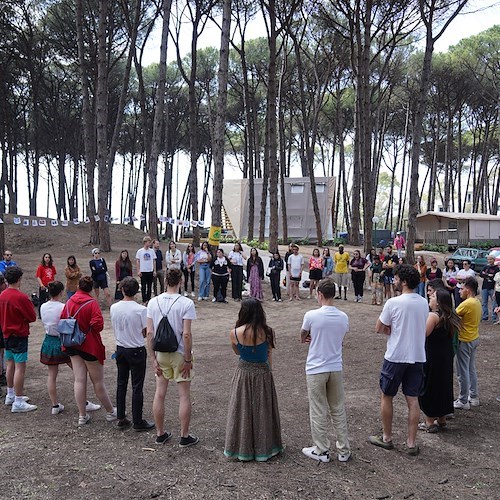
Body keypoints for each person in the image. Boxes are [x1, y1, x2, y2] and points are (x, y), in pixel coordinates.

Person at [369, 265, 428, 456]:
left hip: (395, 356)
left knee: (387, 395)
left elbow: (379, 327)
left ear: (403, 282)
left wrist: (391, 330)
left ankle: (387, 437)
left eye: (395, 279)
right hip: (417, 356)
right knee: (413, 399)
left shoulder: (393, 303)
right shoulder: (423, 303)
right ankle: (411, 443)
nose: (393, 281)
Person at [224, 298, 283, 461]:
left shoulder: (235, 333)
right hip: (263, 372)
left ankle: (243, 448)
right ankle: (264, 448)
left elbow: (237, 352)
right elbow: (269, 352)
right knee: (263, 410)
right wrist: (269, 370)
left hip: (243, 373)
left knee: (242, 409)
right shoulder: (269, 331)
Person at [300, 279, 351, 463]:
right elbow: (342, 337)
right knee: (338, 408)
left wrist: (308, 337)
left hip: (316, 368)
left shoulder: (311, 315)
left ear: (320, 294)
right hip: (335, 366)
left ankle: (321, 449)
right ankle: (344, 449)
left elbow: (303, 334)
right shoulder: (343, 317)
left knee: (318, 408)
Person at [147, 268, 198, 447]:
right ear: (181, 281)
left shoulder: (153, 302)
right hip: (179, 353)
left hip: (160, 353)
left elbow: (150, 332)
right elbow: (186, 334)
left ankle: (160, 433)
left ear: (165, 281)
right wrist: (188, 359)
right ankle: (184, 436)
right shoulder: (186, 303)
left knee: (160, 393)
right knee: (184, 395)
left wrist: (152, 359)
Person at [60, 276, 116, 425]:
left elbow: (62, 319)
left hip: (72, 344)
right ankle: (110, 411)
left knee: (79, 380)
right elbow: (98, 325)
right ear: (91, 288)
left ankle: (82, 415)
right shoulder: (92, 303)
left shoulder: (69, 302)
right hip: (89, 345)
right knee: (98, 381)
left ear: (78, 286)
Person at [110, 277, 154, 431]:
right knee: (137, 386)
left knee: (121, 383)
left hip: (120, 348)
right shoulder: (141, 310)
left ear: (122, 289)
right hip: (135, 349)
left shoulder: (114, 307)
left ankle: (121, 417)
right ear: (136, 292)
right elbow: (144, 333)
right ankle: (137, 420)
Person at [418, 289, 460, 432]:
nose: (430, 296)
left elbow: (422, 335)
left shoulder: (433, 316)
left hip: (432, 356)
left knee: (430, 384)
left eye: (433, 296)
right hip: (445, 356)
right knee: (444, 384)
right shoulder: (449, 317)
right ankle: (442, 418)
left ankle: (429, 421)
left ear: (439, 302)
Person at [0, 266, 37, 412]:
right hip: (19, 335)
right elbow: (32, 317)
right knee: (20, 368)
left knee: (10, 364)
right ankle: (19, 400)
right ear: (19, 279)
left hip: (6, 334)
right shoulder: (21, 297)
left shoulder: (2, 296)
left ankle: (11, 393)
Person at [40, 280, 71, 414]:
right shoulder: (64, 306)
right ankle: (84, 401)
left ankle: (55, 405)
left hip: (48, 340)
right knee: (79, 372)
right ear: (61, 292)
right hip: (62, 341)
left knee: (51, 375)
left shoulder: (43, 306)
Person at [453, 277, 481, 410]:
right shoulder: (477, 302)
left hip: (464, 340)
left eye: (462, 288)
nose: (460, 291)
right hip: (474, 338)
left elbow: (452, 316)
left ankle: (463, 400)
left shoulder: (467, 303)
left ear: (468, 290)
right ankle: (473, 396)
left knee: (462, 371)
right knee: (471, 368)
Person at [136, 236, 157, 304]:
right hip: (143, 271)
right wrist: (138, 270)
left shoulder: (152, 251)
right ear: (145, 242)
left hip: (150, 271)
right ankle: (144, 299)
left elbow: (154, 261)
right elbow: (137, 261)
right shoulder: (140, 251)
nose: (150, 243)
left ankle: (149, 299)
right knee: (143, 286)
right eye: (148, 242)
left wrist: (154, 270)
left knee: (149, 286)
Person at [36, 253, 57, 317]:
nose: (47, 259)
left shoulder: (52, 267)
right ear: (44, 258)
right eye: (46, 257)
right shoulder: (41, 267)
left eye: (48, 257)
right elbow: (38, 277)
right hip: (43, 286)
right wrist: (41, 284)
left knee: (50, 300)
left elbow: (53, 276)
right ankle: (40, 314)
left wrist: (54, 283)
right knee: (42, 300)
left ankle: (49, 313)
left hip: (50, 286)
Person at [479, 255, 498, 322]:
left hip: (492, 287)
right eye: (488, 259)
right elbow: (480, 274)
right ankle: (485, 316)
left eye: (491, 259)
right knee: (484, 302)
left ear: (494, 260)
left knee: (494, 303)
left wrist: (486, 274)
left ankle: (494, 317)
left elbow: (494, 277)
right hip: (484, 287)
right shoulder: (485, 267)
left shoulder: (496, 268)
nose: (489, 261)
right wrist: (488, 275)